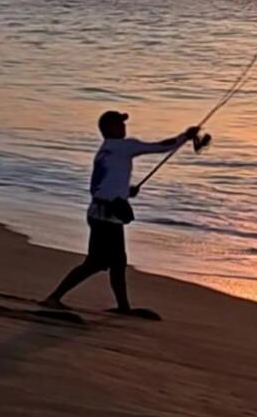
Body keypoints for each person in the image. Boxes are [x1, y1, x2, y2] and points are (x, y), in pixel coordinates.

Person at [42, 109, 210, 319]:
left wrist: (126, 191)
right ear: (110, 128)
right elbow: (160, 147)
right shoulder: (123, 147)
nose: (124, 127)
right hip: (106, 215)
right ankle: (55, 297)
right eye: (120, 124)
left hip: (102, 212)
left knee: (116, 263)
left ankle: (122, 307)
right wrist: (185, 136)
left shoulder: (105, 150)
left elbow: (100, 185)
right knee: (97, 263)